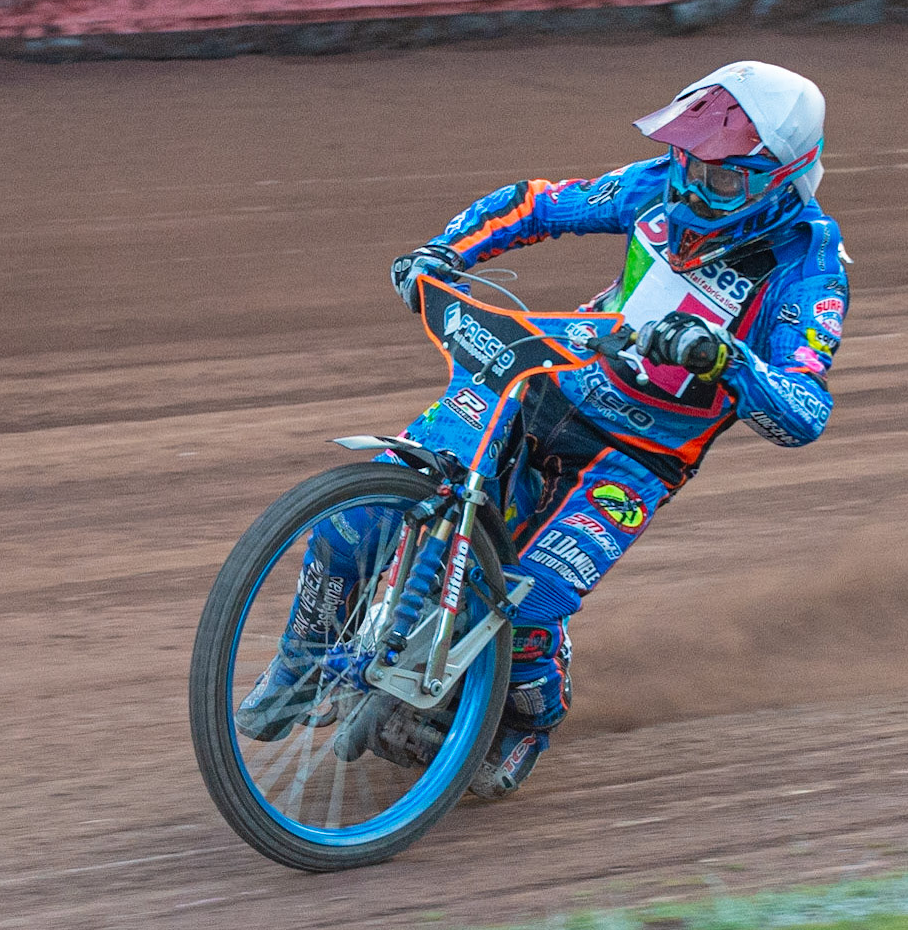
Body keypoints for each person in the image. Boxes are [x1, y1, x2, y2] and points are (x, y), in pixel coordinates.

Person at [237, 61, 848, 798]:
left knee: (526, 609)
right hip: (544, 380)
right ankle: (303, 661)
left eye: (718, 177)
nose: (689, 186)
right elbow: (539, 205)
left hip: (634, 458)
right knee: (360, 514)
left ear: (782, 180)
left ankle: (522, 725)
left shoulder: (809, 268)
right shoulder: (660, 184)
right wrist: (446, 251)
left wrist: (726, 358)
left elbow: (803, 412)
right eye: (688, 159)